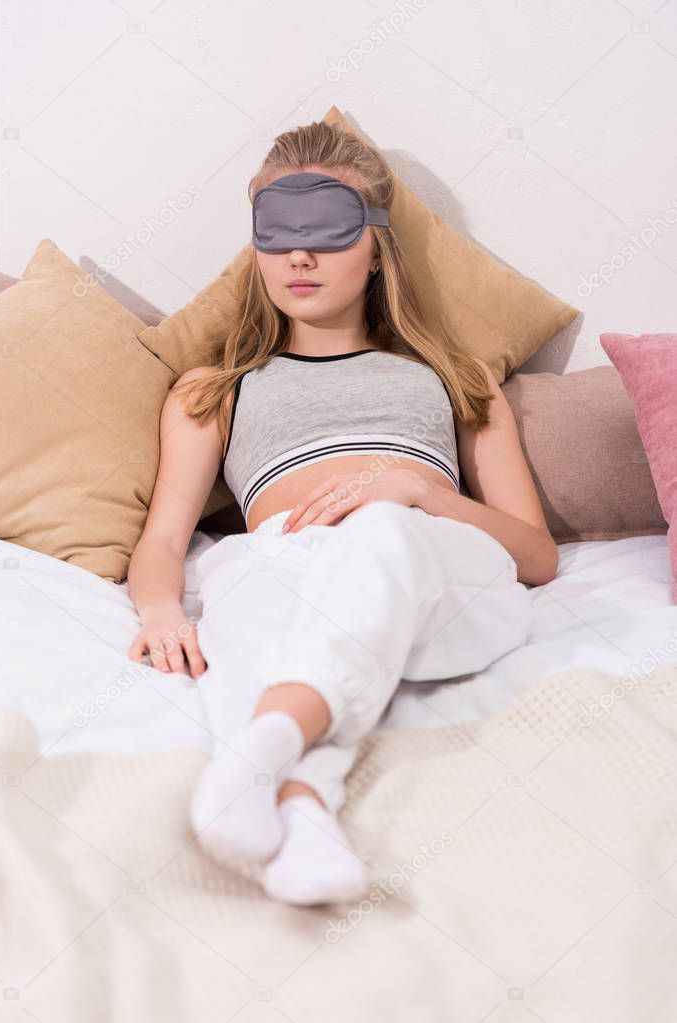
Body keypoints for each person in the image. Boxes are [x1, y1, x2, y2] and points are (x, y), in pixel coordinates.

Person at [127, 120, 558, 906]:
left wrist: (420, 492)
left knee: (384, 530)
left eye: (326, 229)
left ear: (376, 245)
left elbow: (536, 555)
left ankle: (266, 751)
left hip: (440, 575)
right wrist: (159, 608)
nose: (299, 254)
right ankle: (302, 805)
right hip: (284, 565)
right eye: (277, 231)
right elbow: (164, 537)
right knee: (239, 581)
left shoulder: (455, 377)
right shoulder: (211, 388)